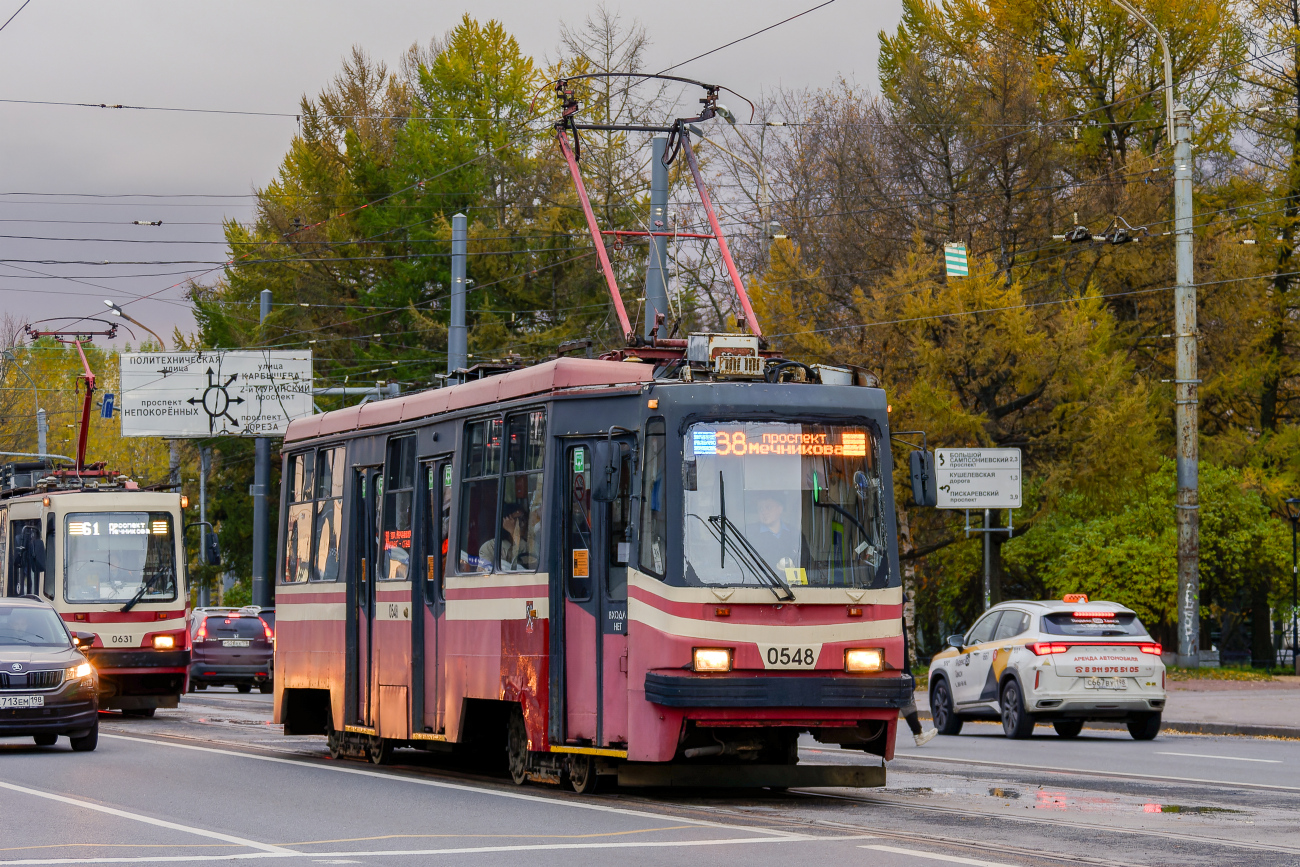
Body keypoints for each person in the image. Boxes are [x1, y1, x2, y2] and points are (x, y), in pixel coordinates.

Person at [901, 595, 937, 746]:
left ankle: (918, 733)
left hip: (896, 667)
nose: (905, 607)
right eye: (904, 604)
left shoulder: (893, 621)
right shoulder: (897, 622)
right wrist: (907, 672)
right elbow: (902, 650)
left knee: (906, 700)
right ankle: (918, 734)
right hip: (899, 668)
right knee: (907, 700)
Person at [477, 501, 535, 572]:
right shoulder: (490, 547)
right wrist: (514, 532)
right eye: (518, 520)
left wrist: (515, 535)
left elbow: (536, 562)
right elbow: (484, 575)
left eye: (524, 519)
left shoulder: (530, 544)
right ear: (505, 522)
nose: (522, 524)